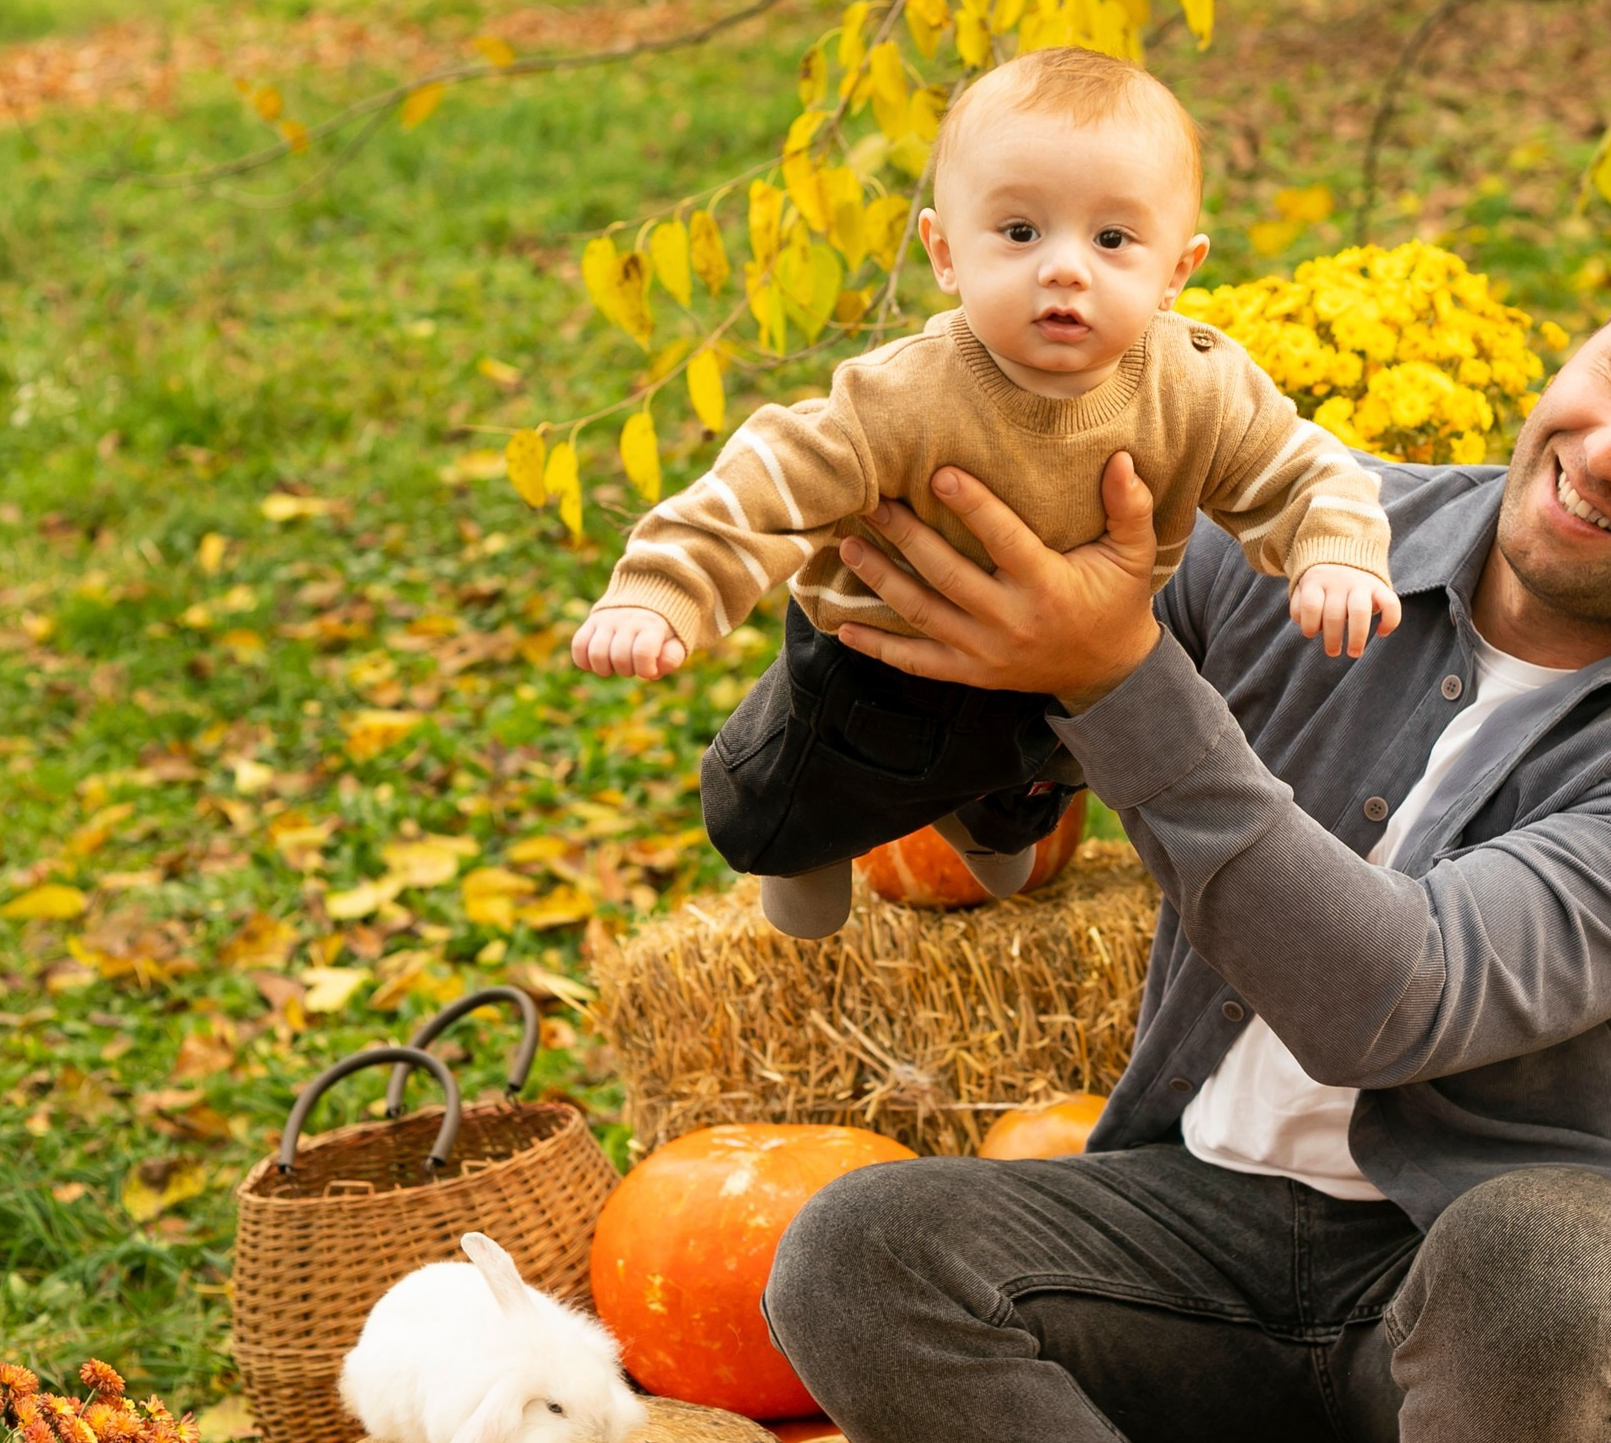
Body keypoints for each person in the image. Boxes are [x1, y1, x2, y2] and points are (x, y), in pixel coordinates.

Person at [758, 239, 1611, 1443]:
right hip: (1195, 1250)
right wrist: (940, 651)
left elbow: (1391, 997)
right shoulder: (1301, 521)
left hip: (1515, 1315)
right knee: (854, 1251)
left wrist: (1118, 673)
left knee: (1544, 1258)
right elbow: (1012, 798)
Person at [569, 48, 1397, 940]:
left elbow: (1304, 467)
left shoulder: (1196, 389)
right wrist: (665, 587)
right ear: (945, 252)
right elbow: (768, 483)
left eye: (1113, 239)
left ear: (1178, 270)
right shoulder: (902, 399)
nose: (1066, 269)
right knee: (792, 796)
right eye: (1020, 232)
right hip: (878, 661)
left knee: (1029, 784)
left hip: (1061, 662)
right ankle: (801, 856)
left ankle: (982, 821)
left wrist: (1334, 550)